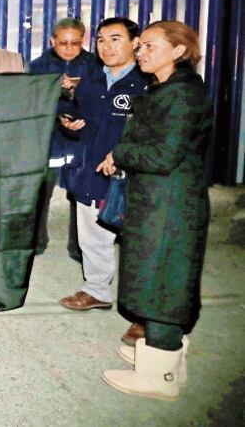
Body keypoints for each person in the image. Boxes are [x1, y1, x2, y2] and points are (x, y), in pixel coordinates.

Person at [99, 21, 212, 401]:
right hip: (157, 200)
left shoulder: (181, 96)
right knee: (158, 275)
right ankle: (165, 361)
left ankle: (158, 375)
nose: (141, 52)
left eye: (150, 46)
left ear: (178, 52)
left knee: (163, 279)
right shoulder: (166, 89)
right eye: (141, 46)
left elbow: (164, 155)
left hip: (170, 204)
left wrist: (121, 153)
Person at [58, 18, 148, 317]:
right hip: (91, 170)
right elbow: (73, 112)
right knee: (93, 236)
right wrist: (69, 122)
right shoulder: (91, 77)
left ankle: (144, 313)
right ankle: (97, 290)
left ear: (135, 43)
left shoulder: (147, 83)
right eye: (100, 40)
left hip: (132, 176)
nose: (106, 46)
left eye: (115, 38)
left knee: (140, 243)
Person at [29, 17, 97, 257]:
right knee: (40, 193)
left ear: (83, 41)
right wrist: (58, 113)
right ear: (52, 40)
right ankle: (35, 243)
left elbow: (100, 102)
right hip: (48, 138)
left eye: (75, 43)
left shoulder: (95, 65)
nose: (69, 48)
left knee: (80, 195)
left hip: (82, 137)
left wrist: (81, 113)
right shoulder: (38, 66)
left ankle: (79, 247)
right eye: (63, 43)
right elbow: (32, 103)